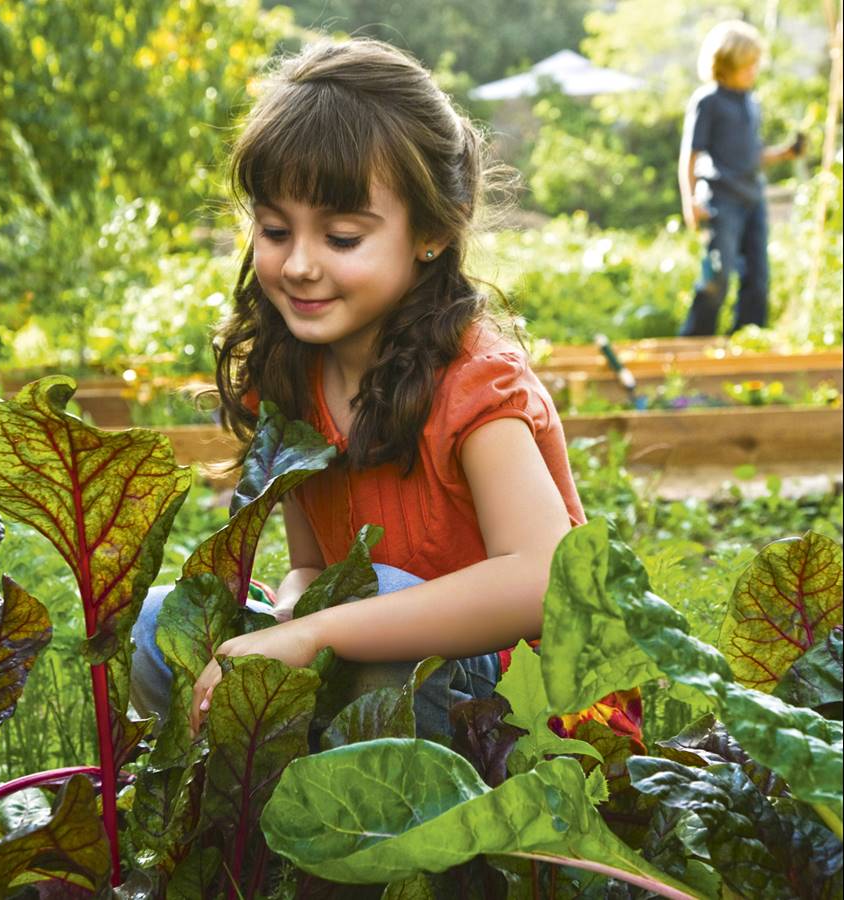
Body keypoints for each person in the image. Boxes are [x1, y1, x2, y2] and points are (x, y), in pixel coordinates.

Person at [132, 38, 626, 744]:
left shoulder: (475, 384)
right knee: (158, 625)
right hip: (379, 666)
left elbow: (541, 580)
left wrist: (323, 631)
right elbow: (309, 566)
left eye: (340, 237)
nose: (299, 264)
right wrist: (290, 620)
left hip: (528, 703)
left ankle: (413, 840)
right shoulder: (292, 378)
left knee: (383, 604)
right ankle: (265, 813)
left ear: (429, 233)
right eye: (275, 229)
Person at [678, 20, 804, 336]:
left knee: (758, 278)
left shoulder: (751, 101)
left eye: (754, 66)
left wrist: (786, 153)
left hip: (752, 198)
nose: (752, 72)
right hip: (720, 200)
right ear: (724, 65)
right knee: (717, 276)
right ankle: (696, 340)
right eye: (746, 66)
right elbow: (690, 155)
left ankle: (747, 338)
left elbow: (750, 154)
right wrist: (689, 201)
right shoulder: (708, 100)